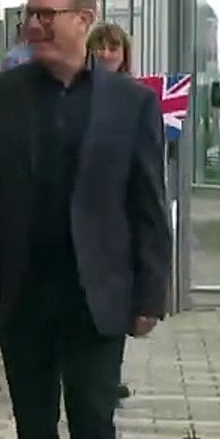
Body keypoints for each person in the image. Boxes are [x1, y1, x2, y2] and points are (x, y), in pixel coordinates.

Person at [0, 0, 173, 439]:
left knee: (94, 422)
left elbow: (147, 204)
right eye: (30, 14)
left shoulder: (131, 104)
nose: (35, 25)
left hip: (96, 292)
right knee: (34, 428)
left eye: (48, 15)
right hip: (21, 289)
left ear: (85, 19)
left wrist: (150, 293)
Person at [87, 21, 136, 403]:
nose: (106, 54)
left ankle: (109, 375)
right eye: (100, 47)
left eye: (113, 48)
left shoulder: (137, 99)